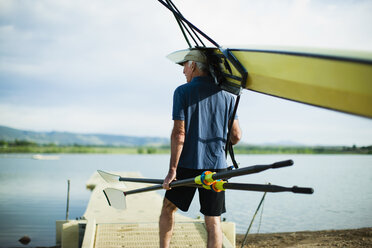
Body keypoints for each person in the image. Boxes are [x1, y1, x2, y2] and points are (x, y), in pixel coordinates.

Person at [159, 49, 242, 248]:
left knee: (168, 209)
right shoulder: (229, 95)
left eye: (185, 66)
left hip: (187, 165)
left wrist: (172, 171)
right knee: (213, 220)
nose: (183, 72)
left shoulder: (182, 91)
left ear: (194, 65)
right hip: (216, 167)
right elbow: (236, 136)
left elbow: (179, 134)